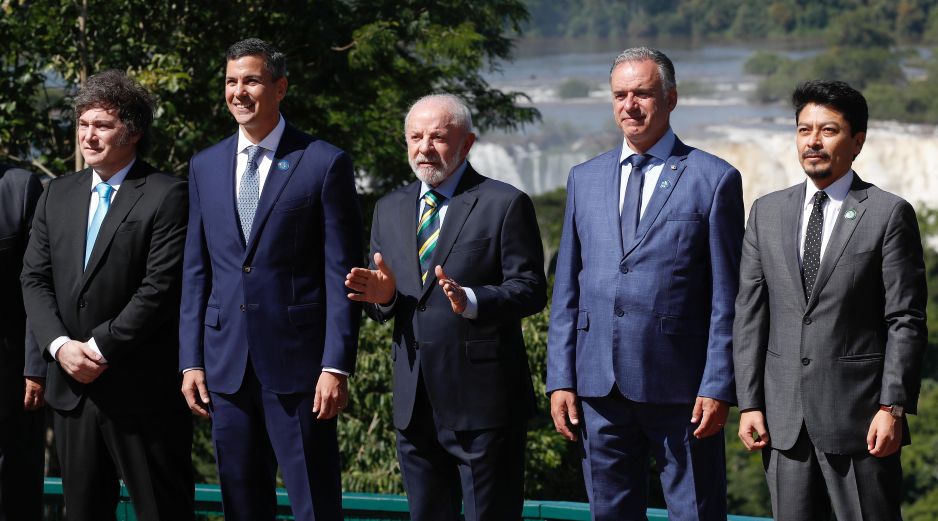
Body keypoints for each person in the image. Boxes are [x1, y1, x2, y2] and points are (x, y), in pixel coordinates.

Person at [546, 47, 744, 520]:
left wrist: (719, 384)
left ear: (671, 98)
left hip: (682, 389)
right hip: (598, 388)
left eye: (643, 94)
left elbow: (728, 296)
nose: (629, 105)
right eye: (620, 95)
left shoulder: (714, 179)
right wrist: (560, 378)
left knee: (695, 511)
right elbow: (566, 291)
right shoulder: (584, 178)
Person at [179, 38, 362, 521]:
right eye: (231, 81)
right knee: (242, 505)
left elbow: (341, 271)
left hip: (300, 368)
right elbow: (197, 273)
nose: (239, 91)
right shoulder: (204, 165)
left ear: (280, 87)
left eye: (252, 80)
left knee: (314, 505)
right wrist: (190, 361)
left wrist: (336, 365)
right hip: (225, 368)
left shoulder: (323, 161)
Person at [345, 93, 546, 520]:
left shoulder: (504, 203)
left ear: (467, 143)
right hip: (414, 406)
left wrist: (470, 299)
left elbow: (530, 288)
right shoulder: (390, 208)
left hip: (483, 405)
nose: (424, 147)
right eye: (415, 137)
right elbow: (388, 300)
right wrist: (382, 300)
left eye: (438, 137)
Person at [734, 80, 927, 521]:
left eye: (828, 130)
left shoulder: (887, 213)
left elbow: (905, 319)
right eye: (804, 130)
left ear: (857, 141)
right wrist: (749, 404)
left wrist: (891, 406)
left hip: (862, 423)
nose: (813, 142)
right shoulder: (766, 212)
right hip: (784, 425)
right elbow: (749, 314)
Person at [20, 70, 193, 521]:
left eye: (101, 125)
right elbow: (33, 280)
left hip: (142, 393)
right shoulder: (56, 192)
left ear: (132, 132)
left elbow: (159, 289)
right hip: (73, 391)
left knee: (163, 511)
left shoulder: (167, 194)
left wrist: (97, 348)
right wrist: (60, 348)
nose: (88, 136)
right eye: (82, 124)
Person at [0, 162, 45, 521]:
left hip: (10, 376)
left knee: (13, 487)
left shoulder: (19, 187)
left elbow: (38, 285)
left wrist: (36, 368)